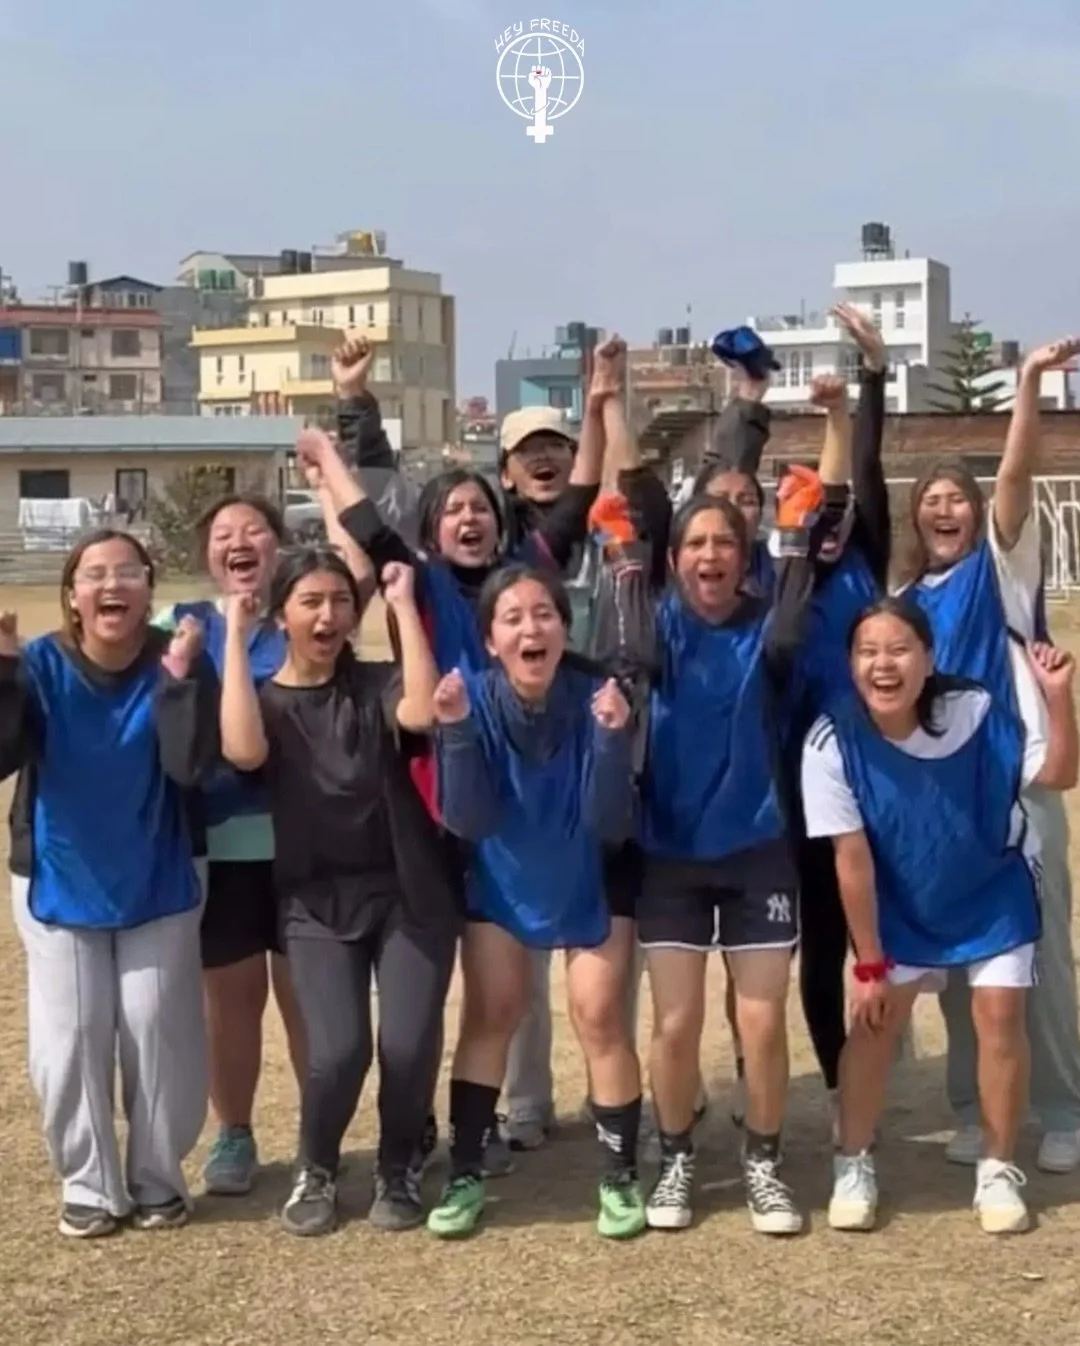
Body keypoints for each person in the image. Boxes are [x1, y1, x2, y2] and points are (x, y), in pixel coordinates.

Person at [305, 355, 610, 1168]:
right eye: (454, 512)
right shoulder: (426, 583)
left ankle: (525, 1105)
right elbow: (369, 523)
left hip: (525, 795)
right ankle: (456, 1116)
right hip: (444, 794)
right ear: (435, 529)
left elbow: (577, 503)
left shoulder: (528, 578)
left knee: (524, 949)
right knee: (466, 970)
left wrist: (604, 402)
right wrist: (337, 441)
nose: (469, 519)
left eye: (481, 507)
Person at [803, 599, 1078, 1233]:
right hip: (902, 902)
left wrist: (1060, 697)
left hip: (991, 887)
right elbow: (852, 861)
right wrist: (870, 963)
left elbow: (1059, 773)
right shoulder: (829, 741)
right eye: (868, 651)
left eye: (899, 649)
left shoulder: (978, 711)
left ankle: (998, 1167)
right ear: (850, 664)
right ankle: (853, 1160)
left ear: (928, 659)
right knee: (875, 1023)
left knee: (1000, 1015)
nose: (883, 664)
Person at [218, 547, 459, 1237]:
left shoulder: (377, 683)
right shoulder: (268, 701)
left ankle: (397, 1166)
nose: (329, 615)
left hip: (410, 893)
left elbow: (420, 711)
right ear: (283, 615)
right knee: (339, 1051)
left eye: (340, 602)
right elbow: (241, 751)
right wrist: (234, 636)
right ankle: (316, 1166)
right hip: (314, 902)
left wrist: (404, 606)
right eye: (310, 602)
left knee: (409, 1045)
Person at [635, 472, 838, 1235]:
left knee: (760, 1021)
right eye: (695, 543)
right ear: (675, 558)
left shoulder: (774, 630)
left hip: (758, 850)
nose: (710, 554)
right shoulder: (650, 626)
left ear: (745, 553)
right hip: (671, 854)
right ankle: (677, 1156)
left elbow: (799, 642)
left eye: (725, 541)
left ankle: (763, 1160)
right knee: (676, 1024)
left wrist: (794, 536)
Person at [1, 529, 219, 1237]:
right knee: (73, 1035)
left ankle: (157, 1176)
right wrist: (1, 671)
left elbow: (192, 768)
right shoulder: (36, 664)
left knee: (157, 1027)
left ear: (149, 592)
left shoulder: (179, 660)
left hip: (160, 872)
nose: (112, 585)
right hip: (59, 879)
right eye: (94, 574)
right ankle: (89, 1184)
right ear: (72, 598)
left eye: (128, 572)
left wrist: (184, 680)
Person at [899, 335, 1080, 1175]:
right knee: (969, 968)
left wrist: (1031, 383)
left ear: (976, 514)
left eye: (958, 499)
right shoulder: (904, 605)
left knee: (1041, 959)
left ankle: (1063, 1109)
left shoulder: (999, 574)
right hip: (946, 809)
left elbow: (1016, 481)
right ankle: (973, 1105)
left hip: (1019, 794)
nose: (946, 508)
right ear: (915, 517)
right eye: (931, 499)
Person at [425, 565, 640, 1239]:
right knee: (492, 1012)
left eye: (543, 614)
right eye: (512, 618)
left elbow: (610, 821)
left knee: (599, 1014)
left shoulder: (598, 697)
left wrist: (610, 739)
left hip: (592, 875)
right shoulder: (473, 697)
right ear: (490, 639)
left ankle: (620, 1175)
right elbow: (468, 818)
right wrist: (456, 731)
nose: (530, 628)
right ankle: (465, 1172)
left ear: (563, 625)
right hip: (502, 877)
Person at [154, 494, 309, 1197]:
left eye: (255, 530)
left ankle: (320, 1132)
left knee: (311, 996)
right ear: (208, 554)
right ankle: (235, 1134)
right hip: (218, 846)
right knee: (232, 1000)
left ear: (279, 546)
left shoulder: (306, 617)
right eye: (223, 533)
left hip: (307, 844)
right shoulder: (181, 625)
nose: (239, 542)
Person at [785, 305, 892, 1137]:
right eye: (804, 514)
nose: (819, 521)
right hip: (793, 782)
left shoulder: (865, 559)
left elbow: (863, 468)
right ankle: (830, 1082)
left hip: (875, 775)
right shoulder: (775, 584)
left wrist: (868, 380)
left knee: (876, 942)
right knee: (818, 943)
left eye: (828, 510)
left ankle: (867, 1072)